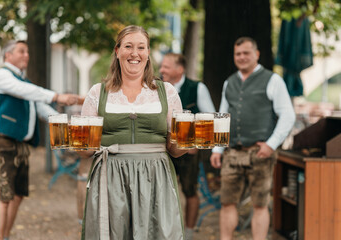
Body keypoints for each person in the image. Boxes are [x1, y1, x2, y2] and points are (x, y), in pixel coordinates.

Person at [80, 25, 187, 240]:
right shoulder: (97, 93)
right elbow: (87, 150)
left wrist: (192, 141)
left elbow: (175, 149)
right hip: (110, 177)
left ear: (148, 53)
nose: (134, 53)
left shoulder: (166, 92)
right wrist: (72, 141)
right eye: (128, 46)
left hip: (156, 178)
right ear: (117, 50)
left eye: (141, 47)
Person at [210, 37, 296, 240]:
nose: (241, 57)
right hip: (232, 152)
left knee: (259, 204)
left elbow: (288, 115)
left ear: (256, 54)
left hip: (260, 153)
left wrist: (271, 144)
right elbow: (222, 116)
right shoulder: (228, 82)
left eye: (246, 53)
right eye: (237, 53)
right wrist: (217, 149)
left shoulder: (272, 80)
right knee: (227, 202)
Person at [0, 40, 79, 240]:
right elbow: (28, 92)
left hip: (22, 144)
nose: (27, 55)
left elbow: (40, 106)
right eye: (22, 51)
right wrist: (57, 96)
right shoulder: (2, 75)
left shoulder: (24, 81)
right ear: (8, 55)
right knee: (4, 195)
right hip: (4, 142)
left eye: (28, 51)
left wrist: (65, 124)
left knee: (18, 194)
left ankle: (5, 236)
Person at [160, 53, 216, 240]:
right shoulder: (157, 88)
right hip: (163, 150)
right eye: (162, 66)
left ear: (180, 69)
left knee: (190, 191)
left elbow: (210, 118)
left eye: (166, 67)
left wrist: (197, 144)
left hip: (189, 153)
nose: (161, 70)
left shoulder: (197, 88)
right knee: (163, 191)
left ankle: (189, 234)